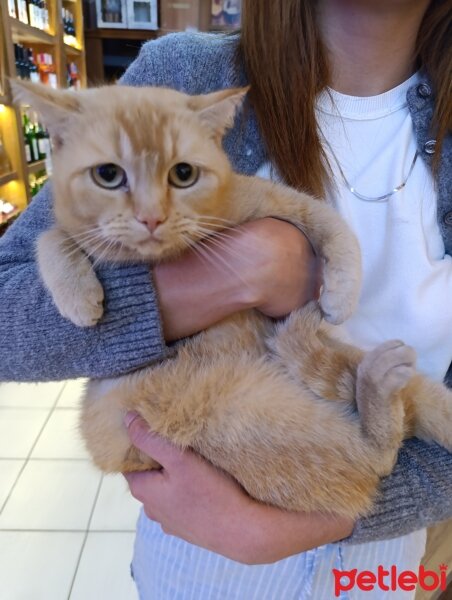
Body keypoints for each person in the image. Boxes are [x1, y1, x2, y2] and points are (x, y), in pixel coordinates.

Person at [0, 0, 451, 597]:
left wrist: (333, 515)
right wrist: (223, 279)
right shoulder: (188, 75)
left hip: (383, 556)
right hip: (200, 560)